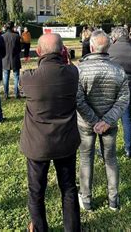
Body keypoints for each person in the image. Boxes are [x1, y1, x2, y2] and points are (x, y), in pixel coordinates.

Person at [20, 33, 81, 232]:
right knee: (68, 188)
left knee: (36, 191)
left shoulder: (28, 78)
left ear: (38, 52)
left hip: (38, 144)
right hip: (65, 141)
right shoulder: (73, 73)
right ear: (63, 51)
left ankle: (38, 228)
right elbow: (69, 67)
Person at [76, 30, 129, 211]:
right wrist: (105, 121)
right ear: (108, 47)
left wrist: (96, 121)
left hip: (86, 124)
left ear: (91, 47)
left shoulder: (80, 69)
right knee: (111, 159)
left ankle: (87, 198)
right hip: (108, 124)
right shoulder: (118, 70)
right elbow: (123, 99)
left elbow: (78, 100)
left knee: (86, 158)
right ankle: (113, 199)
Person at [108, 27, 131, 158]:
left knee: (110, 118)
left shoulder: (110, 49)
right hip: (129, 86)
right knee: (127, 118)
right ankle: (128, 148)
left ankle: (108, 148)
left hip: (112, 87)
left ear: (115, 37)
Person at [2, 21, 22, 99]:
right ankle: (16, 93)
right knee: (16, 76)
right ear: (13, 27)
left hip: (5, 59)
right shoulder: (16, 36)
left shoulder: (2, 36)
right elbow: (19, 49)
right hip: (15, 58)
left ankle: (6, 94)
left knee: (6, 77)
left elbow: (1, 49)